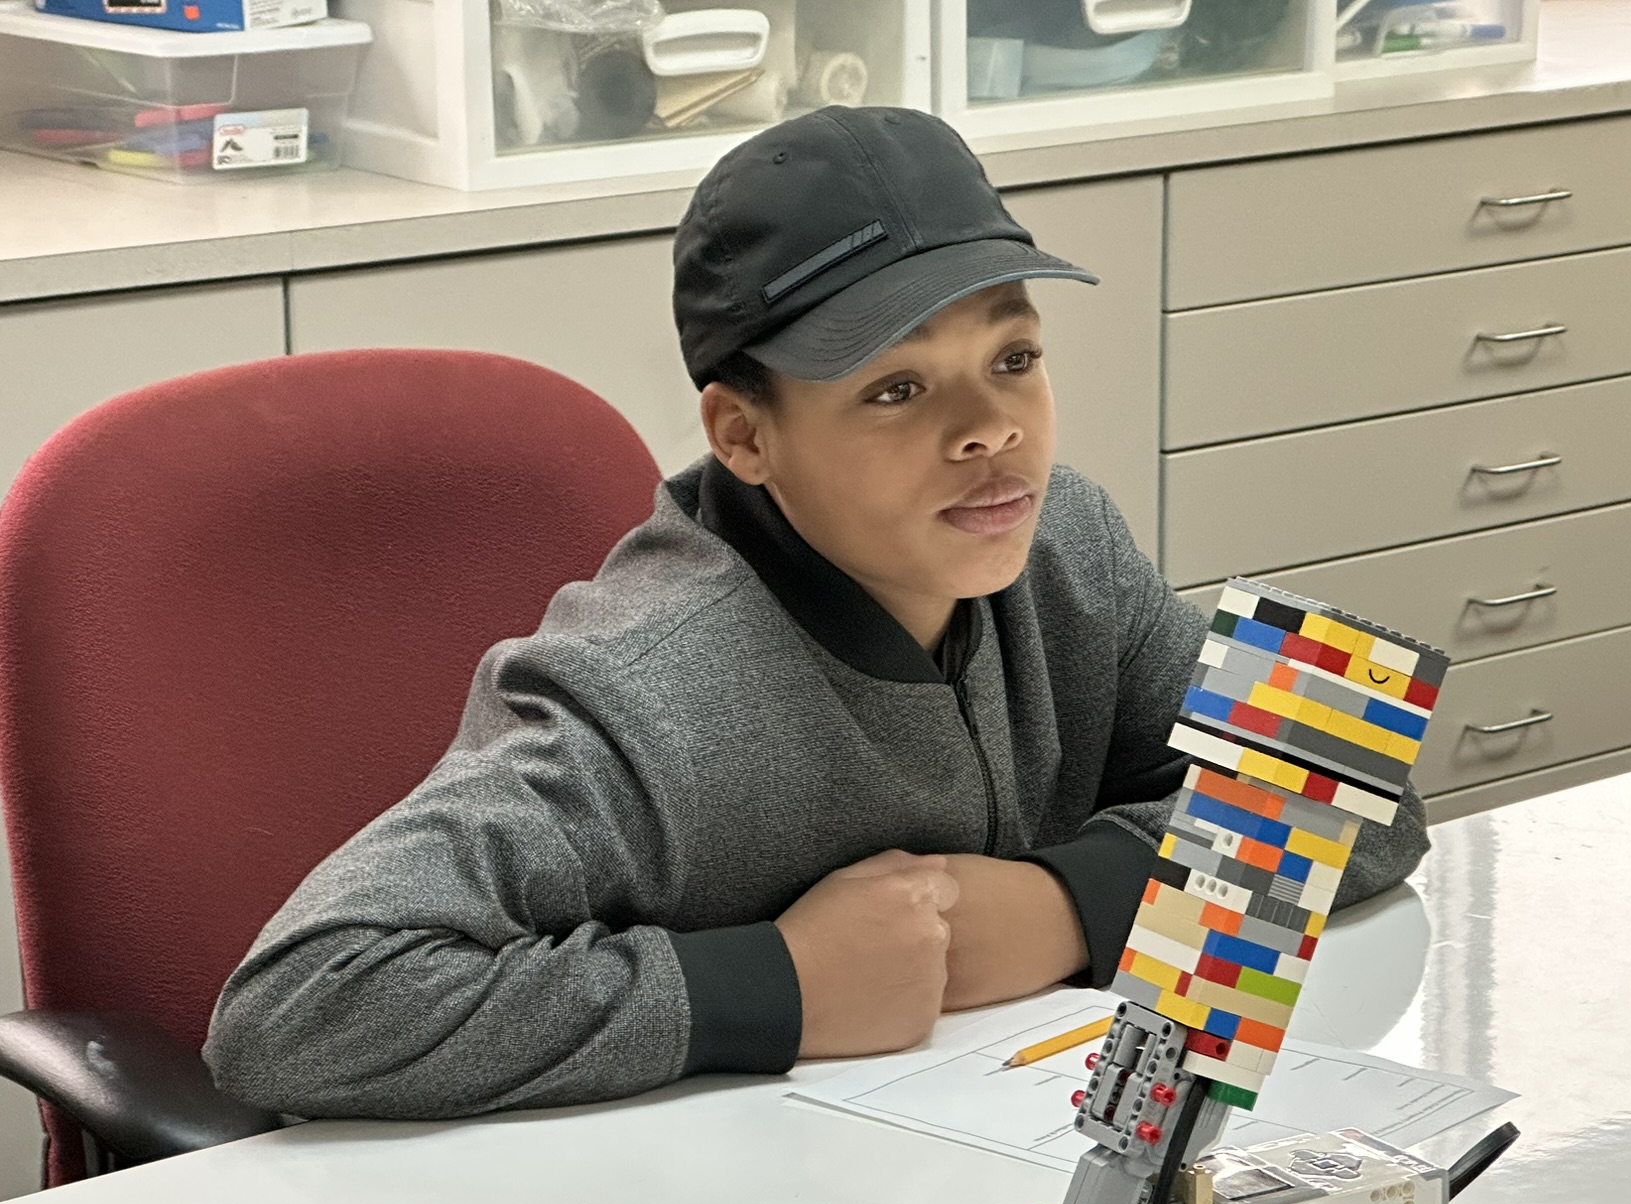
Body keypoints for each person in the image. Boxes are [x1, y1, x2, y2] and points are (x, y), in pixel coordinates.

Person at [203, 106, 1429, 1119]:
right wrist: (775, 983)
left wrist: (1064, 906)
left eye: (1012, 359)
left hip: (975, 1164)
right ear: (744, 434)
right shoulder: (642, 696)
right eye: (897, 388)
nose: (991, 432)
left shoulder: (1067, 540)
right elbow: (296, 1008)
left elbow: (1353, 774)